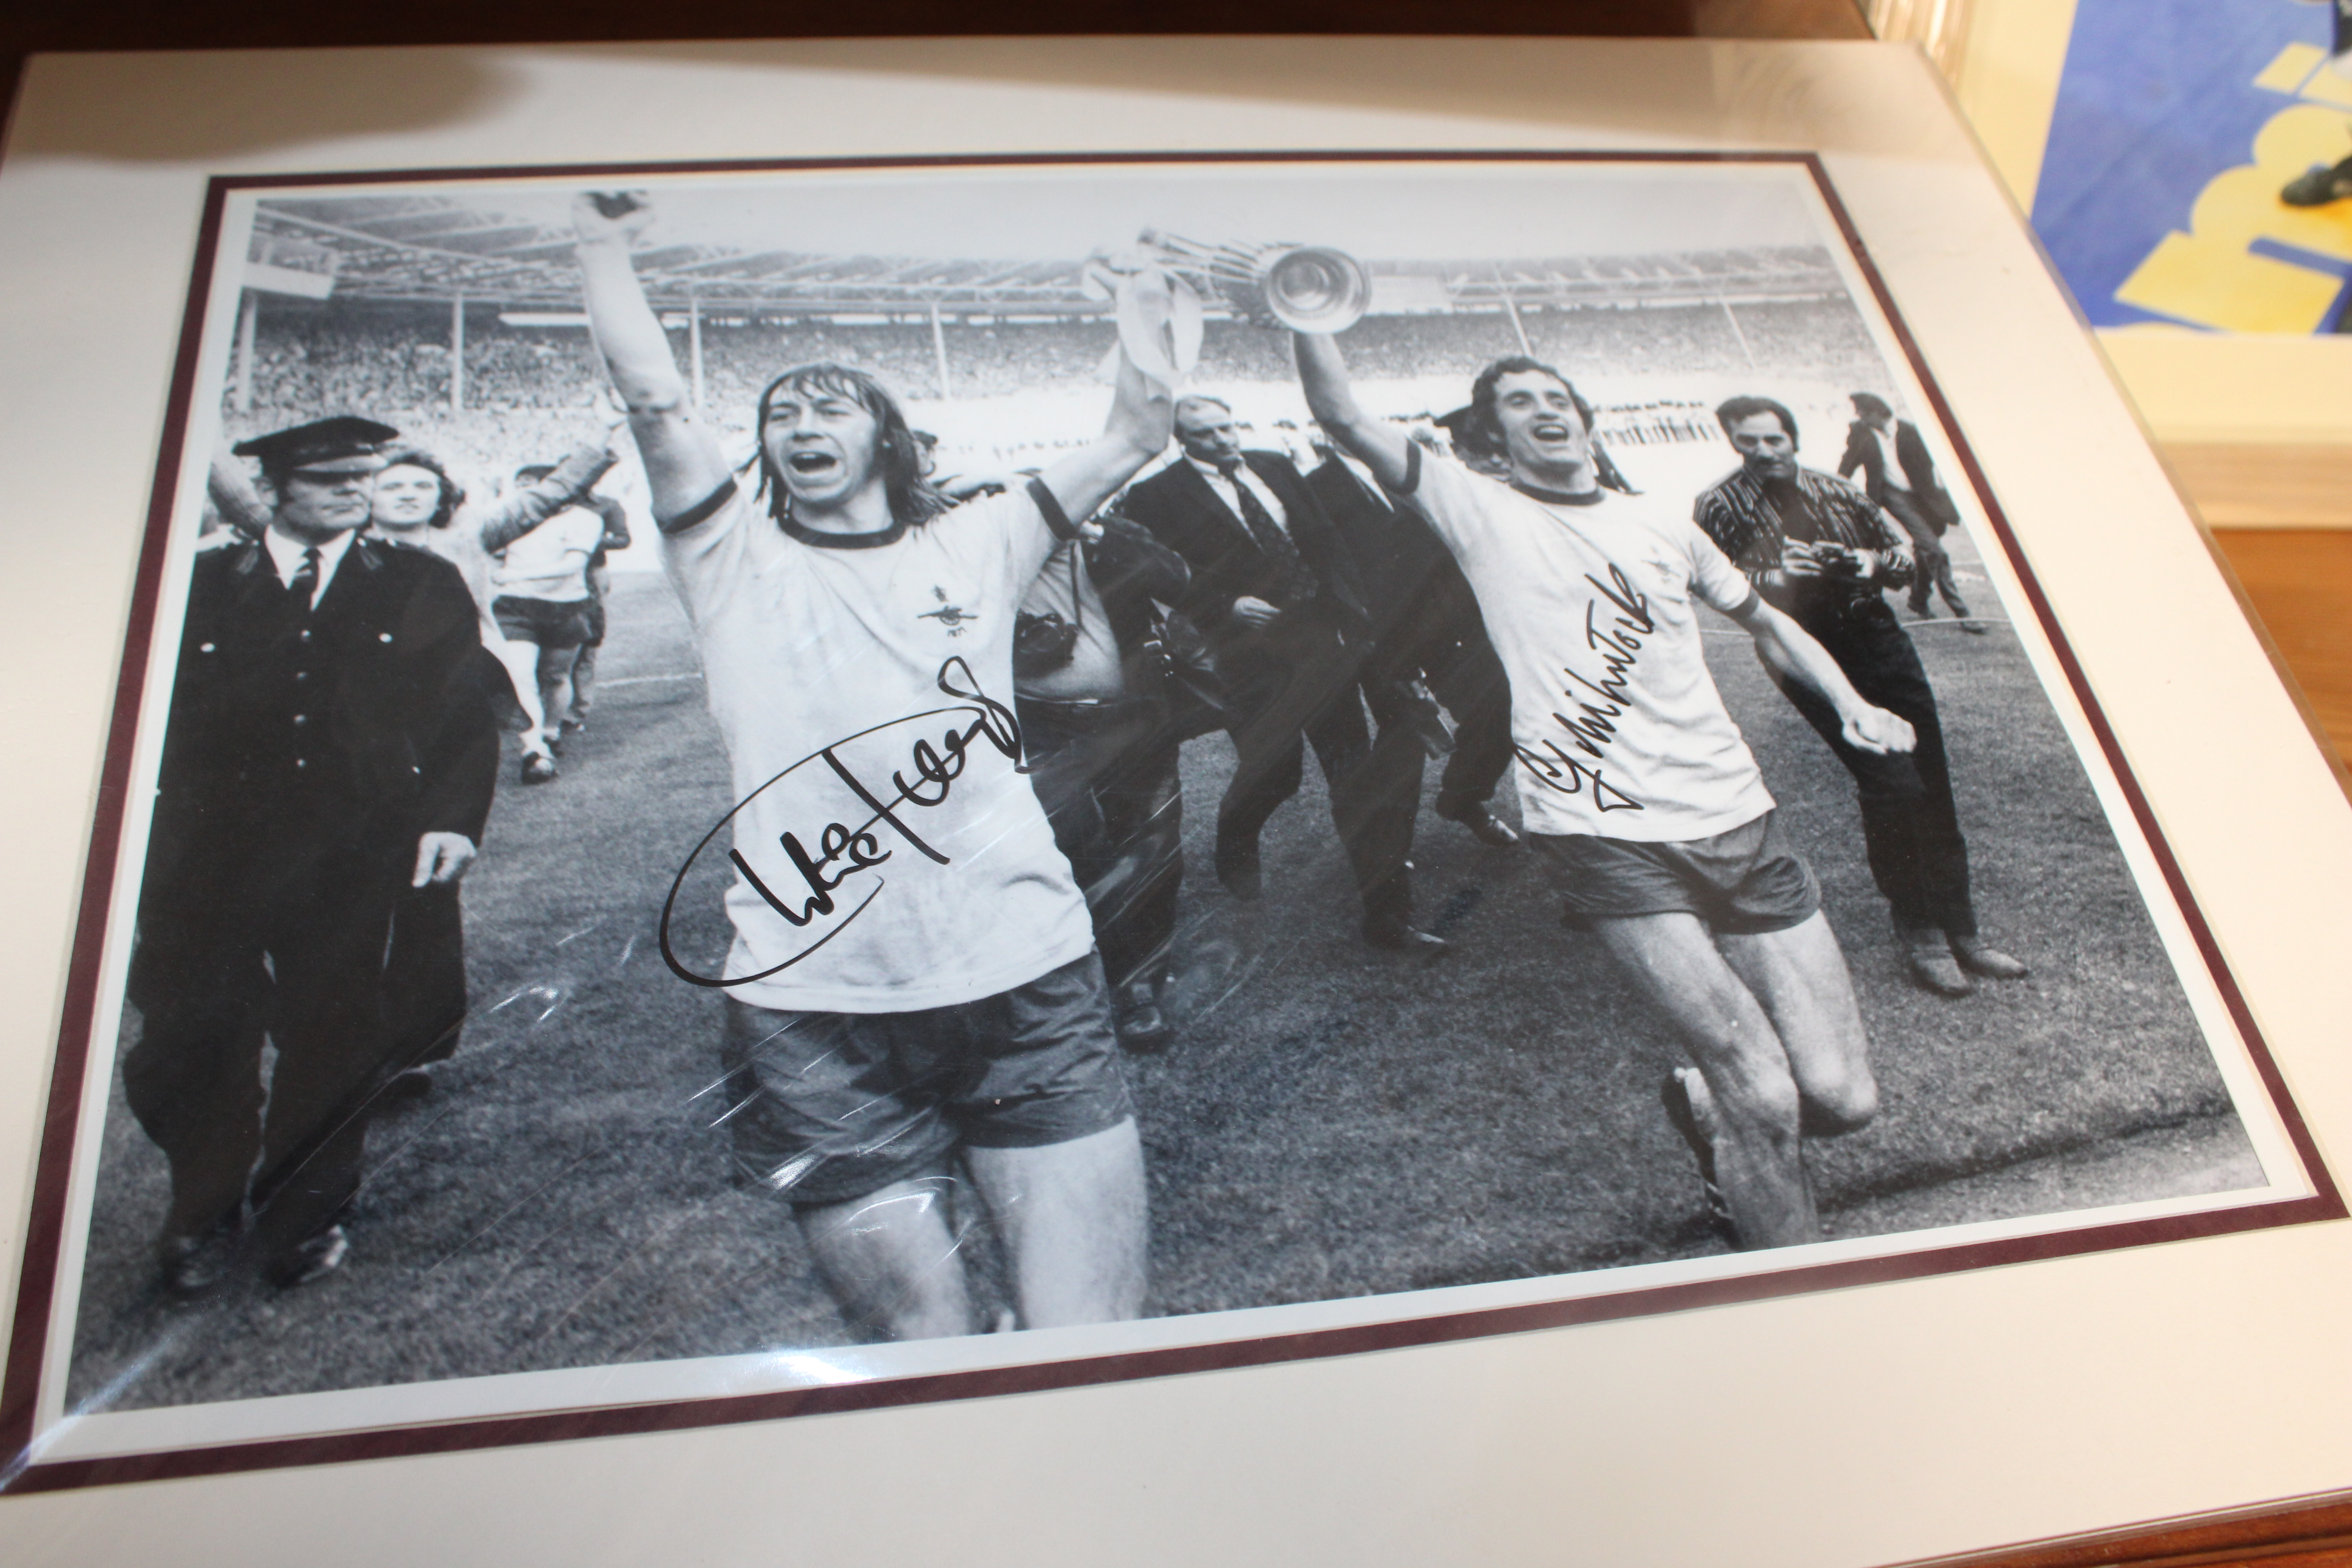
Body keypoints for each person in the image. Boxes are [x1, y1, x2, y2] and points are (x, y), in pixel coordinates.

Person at [573, 189, 1167, 1341]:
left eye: (831, 400)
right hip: (810, 1008)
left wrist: (1140, 292)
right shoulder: (729, 557)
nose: (801, 418)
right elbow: (650, 397)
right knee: (922, 1357)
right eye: (781, 408)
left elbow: (1137, 429)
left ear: (883, 434)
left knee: (1086, 1344)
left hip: (1022, 976)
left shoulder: (981, 535)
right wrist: (601, 246)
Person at [1297, 343, 1910, 1251]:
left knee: (1842, 1098)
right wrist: (1307, 314)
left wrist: (1852, 701)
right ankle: (1795, 1304)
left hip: (1736, 814)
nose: (1544, 408)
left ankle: (1708, 1116)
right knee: (1763, 1090)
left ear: (1585, 418)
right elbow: (1344, 417)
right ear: (1492, 435)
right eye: (1517, 401)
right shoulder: (1479, 509)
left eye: (1556, 395)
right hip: (1603, 835)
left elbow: (1767, 621)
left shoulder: (1661, 522)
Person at [125, 416, 497, 1294]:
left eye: (360, 478)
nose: (352, 491)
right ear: (277, 487)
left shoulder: (417, 579)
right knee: (189, 1037)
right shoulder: (201, 581)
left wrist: (451, 817)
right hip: (202, 858)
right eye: (329, 479)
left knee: (330, 1035)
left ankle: (304, 1215)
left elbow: (460, 711)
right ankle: (202, 1210)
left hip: (351, 852)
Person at [1697, 395, 2028, 998]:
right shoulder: (1717, 506)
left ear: (1792, 438)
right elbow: (1717, 587)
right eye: (1748, 441)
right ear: (1733, 442)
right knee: (1889, 781)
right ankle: (1921, 931)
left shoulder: (1840, 491)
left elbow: (1904, 557)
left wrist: (1864, 562)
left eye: (1773, 439)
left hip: (1877, 638)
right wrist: (1780, 574)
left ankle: (1965, 931)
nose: (1763, 452)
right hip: (1803, 654)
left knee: (1931, 779)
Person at [1123, 394, 1443, 951]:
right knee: (1277, 772)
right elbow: (1153, 569)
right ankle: (1237, 837)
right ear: (1182, 439)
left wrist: (1350, 610)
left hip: (1319, 639)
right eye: (1206, 435)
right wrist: (1223, 604)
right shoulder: (1156, 494)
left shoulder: (1272, 463)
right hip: (1248, 655)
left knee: (1355, 779)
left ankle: (1388, 916)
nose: (1224, 441)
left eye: (1228, 428)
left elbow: (1324, 540)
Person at [1013, 503, 1194, 1051]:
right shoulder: (992, 558)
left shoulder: (1108, 536)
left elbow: (1177, 580)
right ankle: (1123, 981)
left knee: (1154, 847)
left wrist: (1103, 531)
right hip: (1042, 730)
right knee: (1079, 853)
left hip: (1134, 716)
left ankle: (1145, 972)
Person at [488, 461, 617, 783]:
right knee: (520, 676)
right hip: (516, 606)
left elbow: (572, 564)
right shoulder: (511, 518)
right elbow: (488, 553)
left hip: (565, 608)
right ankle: (535, 750)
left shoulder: (585, 519)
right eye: (523, 487)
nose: (529, 494)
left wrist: (513, 574)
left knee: (556, 676)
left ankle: (550, 730)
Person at [1836, 392, 1975, 628]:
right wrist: (1838, 489)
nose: (1858, 416)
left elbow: (1938, 465)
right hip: (1892, 496)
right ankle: (1962, 613)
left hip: (1924, 498)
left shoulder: (1911, 432)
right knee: (1933, 548)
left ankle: (1919, 600)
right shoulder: (1861, 432)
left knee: (1929, 552)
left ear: (1878, 413)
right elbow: (1847, 464)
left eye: (1862, 412)